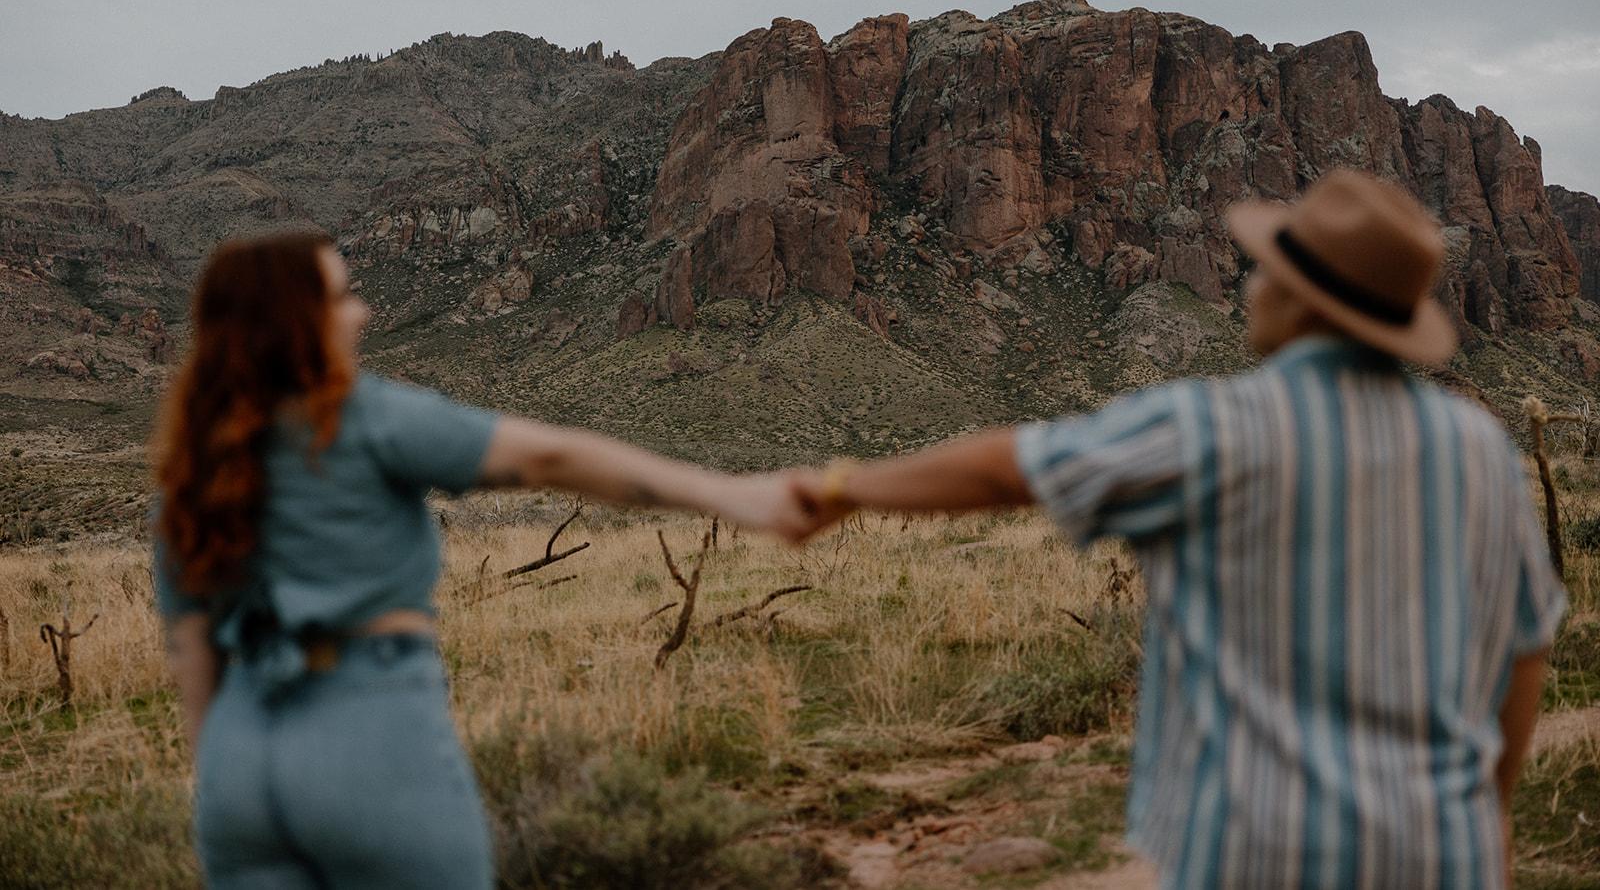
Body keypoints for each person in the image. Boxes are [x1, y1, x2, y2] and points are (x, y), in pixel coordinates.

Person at [779, 170, 1568, 889]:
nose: (1251, 286)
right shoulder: (1480, 448)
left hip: (1258, 855)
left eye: (1267, 271)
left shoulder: (1215, 426)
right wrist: (1491, 813)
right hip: (1445, 855)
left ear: (1298, 297)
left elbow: (1010, 468)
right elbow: (1523, 649)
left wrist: (845, 485)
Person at [153, 231, 801, 890]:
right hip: (365, 732)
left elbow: (193, 660)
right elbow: (547, 457)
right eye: (341, 296)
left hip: (239, 766)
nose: (363, 312)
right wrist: (726, 494)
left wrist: (230, 773)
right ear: (294, 317)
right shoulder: (361, 416)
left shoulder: (192, 470)